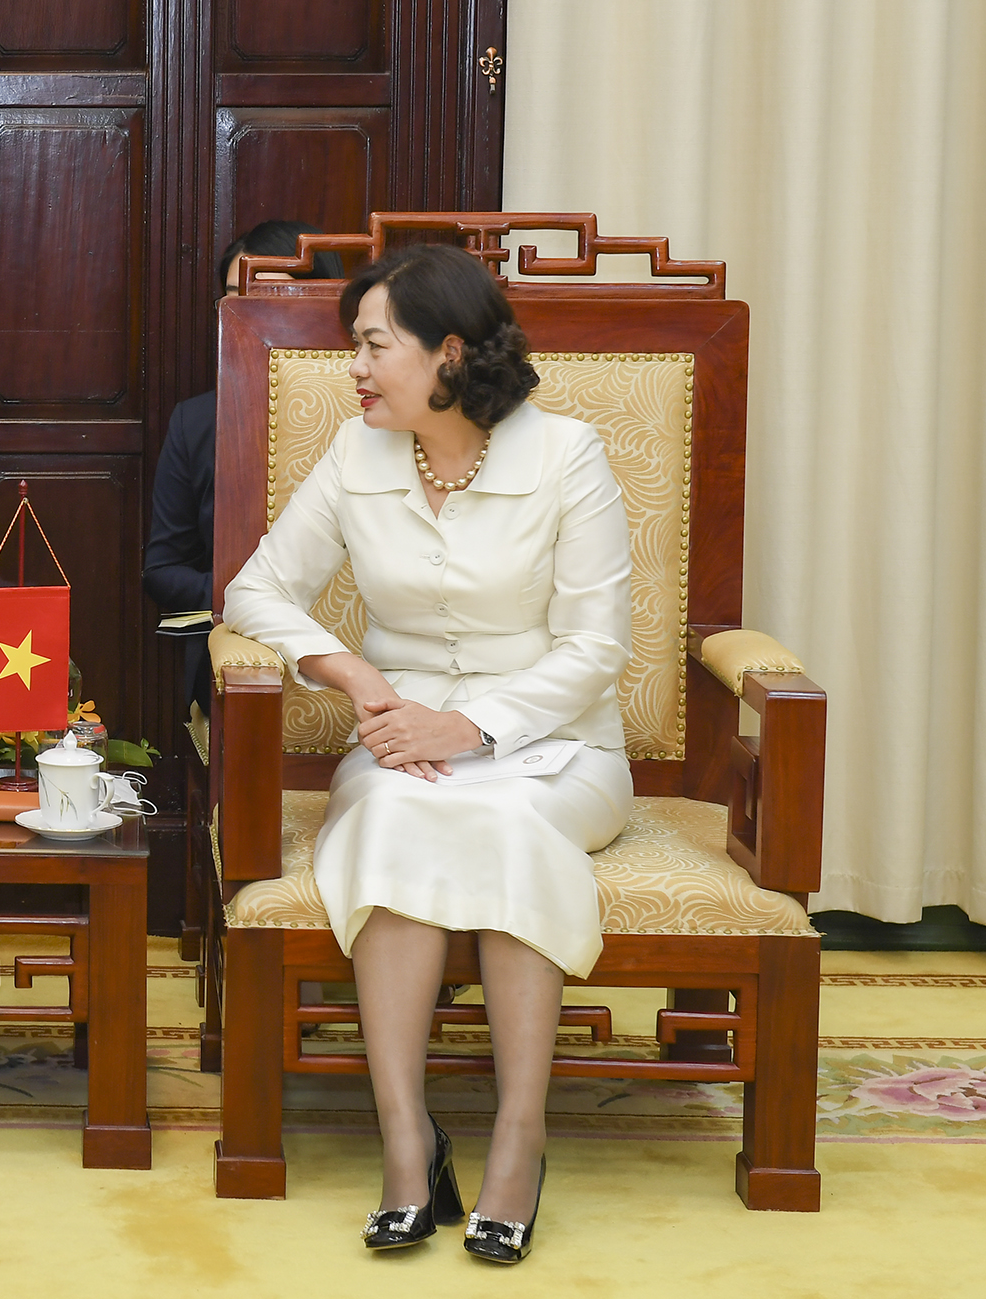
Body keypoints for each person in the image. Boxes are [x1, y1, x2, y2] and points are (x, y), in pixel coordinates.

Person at [220, 242, 631, 1265]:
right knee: (398, 814)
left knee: (502, 817)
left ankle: (519, 1143)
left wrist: (474, 727)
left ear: (448, 352)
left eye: (373, 346)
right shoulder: (356, 453)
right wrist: (357, 677)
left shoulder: (566, 454)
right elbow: (253, 592)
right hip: (399, 738)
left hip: (555, 747)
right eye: (352, 346)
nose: (353, 368)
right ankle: (407, 1143)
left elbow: (595, 648)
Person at [144, 221, 344, 719]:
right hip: (245, 646)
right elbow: (163, 572)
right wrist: (253, 593)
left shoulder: (382, 413)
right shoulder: (197, 422)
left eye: (271, 294)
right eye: (235, 296)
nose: (247, 312)